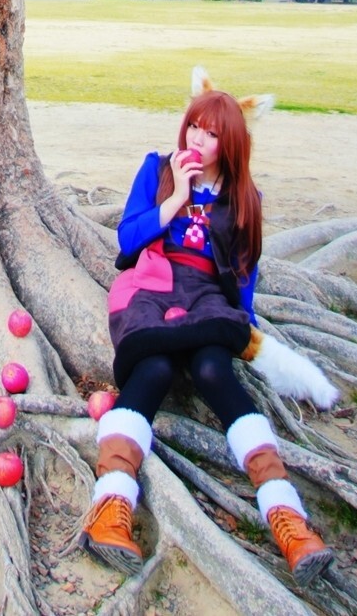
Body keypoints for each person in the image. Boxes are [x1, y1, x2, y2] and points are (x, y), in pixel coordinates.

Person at [80, 80, 333, 588]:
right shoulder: (157, 168)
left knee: (214, 367)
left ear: (231, 144)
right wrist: (174, 197)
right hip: (150, 285)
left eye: (211, 133)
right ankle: (109, 506)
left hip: (205, 298)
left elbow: (244, 275)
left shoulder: (244, 198)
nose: (197, 138)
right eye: (193, 125)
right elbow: (128, 240)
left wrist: (243, 326)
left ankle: (287, 517)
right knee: (151, 368)